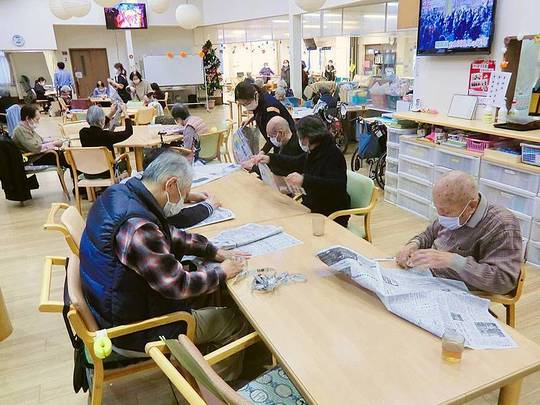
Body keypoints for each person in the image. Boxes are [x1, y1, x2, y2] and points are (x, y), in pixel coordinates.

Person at [79, 150, 251, 379]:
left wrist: (213, 250)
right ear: (171, 184)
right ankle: (219, 387)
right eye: (185, 193)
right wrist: (221, 272)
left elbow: (169, 234)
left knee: (205, 279)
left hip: (111, 308)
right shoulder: (139, 228)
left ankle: (203, 356)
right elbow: (178, 286)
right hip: (133, 331)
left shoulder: (120, 193)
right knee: (233, 321)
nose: (184, 199)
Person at [396, 171, 522, 294]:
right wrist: (413, 244)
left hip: (456, 290)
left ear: (472, 206)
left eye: (446, 212)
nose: (441, 216)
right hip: (428, 276)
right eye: (438, 209)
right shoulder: (453, 209)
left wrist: (453, 261)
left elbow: (504, 281)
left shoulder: (502, 225)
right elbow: (429, 234)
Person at [255, 115, 350, 226]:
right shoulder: (315, 151)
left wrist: (304, 180)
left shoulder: (333, 155)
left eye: (299, 136)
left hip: (330, 212)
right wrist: (270, 158)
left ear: (307, 138)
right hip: (313, 206)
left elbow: (335, 186)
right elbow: (295, 162)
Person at [234, 80, 296, 154]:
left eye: (248, 103)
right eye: (243, 105)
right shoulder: (260, 97)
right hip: (279, 139)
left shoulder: (270, 109)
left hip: (286, 142)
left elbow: (274, 137)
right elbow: (259, 111)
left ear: (255, 95)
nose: (246, 106)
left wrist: (262, 152)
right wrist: (252, 118)